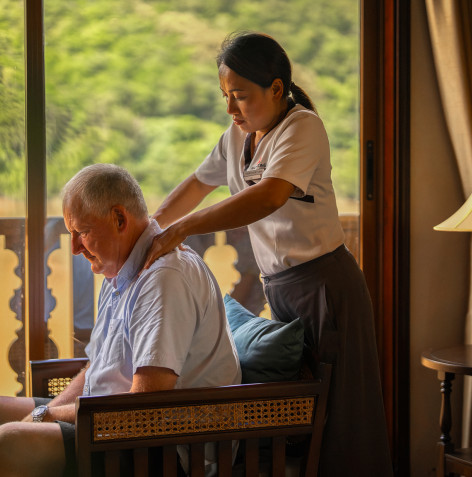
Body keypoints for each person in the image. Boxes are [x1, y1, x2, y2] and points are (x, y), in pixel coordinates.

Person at [143, 32, 393, 476]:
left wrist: (182, 229)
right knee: (299, 411)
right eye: (225, 96)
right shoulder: (236, 139)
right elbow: (196, 186)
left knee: (339, 417)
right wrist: (150, 232)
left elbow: (268, 197)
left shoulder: (302, 127)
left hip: (326, 287)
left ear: (276, 89)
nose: (230, 109)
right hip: (280, 288)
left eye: (240, 96)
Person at [0, 164, 241, 477]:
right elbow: (98, 368)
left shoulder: (165, 278)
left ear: (119, 219)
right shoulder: (120, 271)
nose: (75, 248)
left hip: (167, 444)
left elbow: (147, 404)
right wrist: (47, 413)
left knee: (8, 443)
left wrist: (45, 418)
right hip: (110, 418)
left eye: (82, 233)